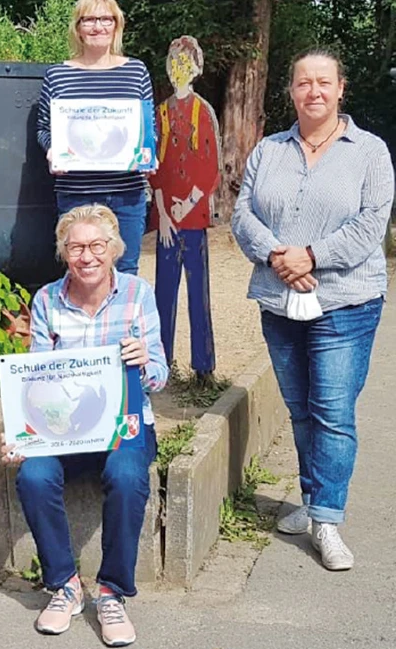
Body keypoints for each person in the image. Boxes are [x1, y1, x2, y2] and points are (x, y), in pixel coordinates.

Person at [232, 47, 394, 571]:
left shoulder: (370, 153)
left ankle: (328, 519)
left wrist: (313, 257)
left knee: (332, 411)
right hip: (280, 301)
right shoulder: (269, 150)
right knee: (301, 408)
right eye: (304, 83)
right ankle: (312, 498)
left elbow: (372, 224)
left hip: (346, 301)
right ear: (292, 91)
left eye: (324, 82)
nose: (314, 91)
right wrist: (280, 256)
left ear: (340, 88)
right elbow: (242, 212)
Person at [1, 204, 167, 647]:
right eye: (76, 247)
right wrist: (19, 432)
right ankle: (65, 584)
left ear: (114, 249)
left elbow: (160, 376)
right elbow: (33, 382)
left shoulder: (137, 294)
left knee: (128, 475)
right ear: (64, 253)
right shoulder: (46, 301)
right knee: (33, 475)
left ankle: (112, 592)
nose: (87, 256)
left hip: (127, 425)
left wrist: (145, 361)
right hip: (65, 429)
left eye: (97, 245)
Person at [36, 0, 155, 275]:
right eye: (89, 20)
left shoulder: (136, 71)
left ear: (117, 24)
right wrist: (52, 150)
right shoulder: (58, 75)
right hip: (77, 192)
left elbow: (148, 130)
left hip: (126, 193)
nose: (98, 26)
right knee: (80, 270)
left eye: (106, 19)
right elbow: (43, 129)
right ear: (77, 28)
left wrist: (149, 154)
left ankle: (125, 322)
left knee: (125, 270)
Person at [148, 35, 219, 377]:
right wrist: (163, 214)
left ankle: (203, 367)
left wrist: (187, 205)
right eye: (173, 62)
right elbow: (154, 169)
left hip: (194, 219)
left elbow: (210, 168)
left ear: (195, 69)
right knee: (164, 292)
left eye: (184, 63)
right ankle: (163, 362)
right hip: (167, 222)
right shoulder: (160, 113)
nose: (178, 69)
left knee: (197, 293)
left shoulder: (202, 112)